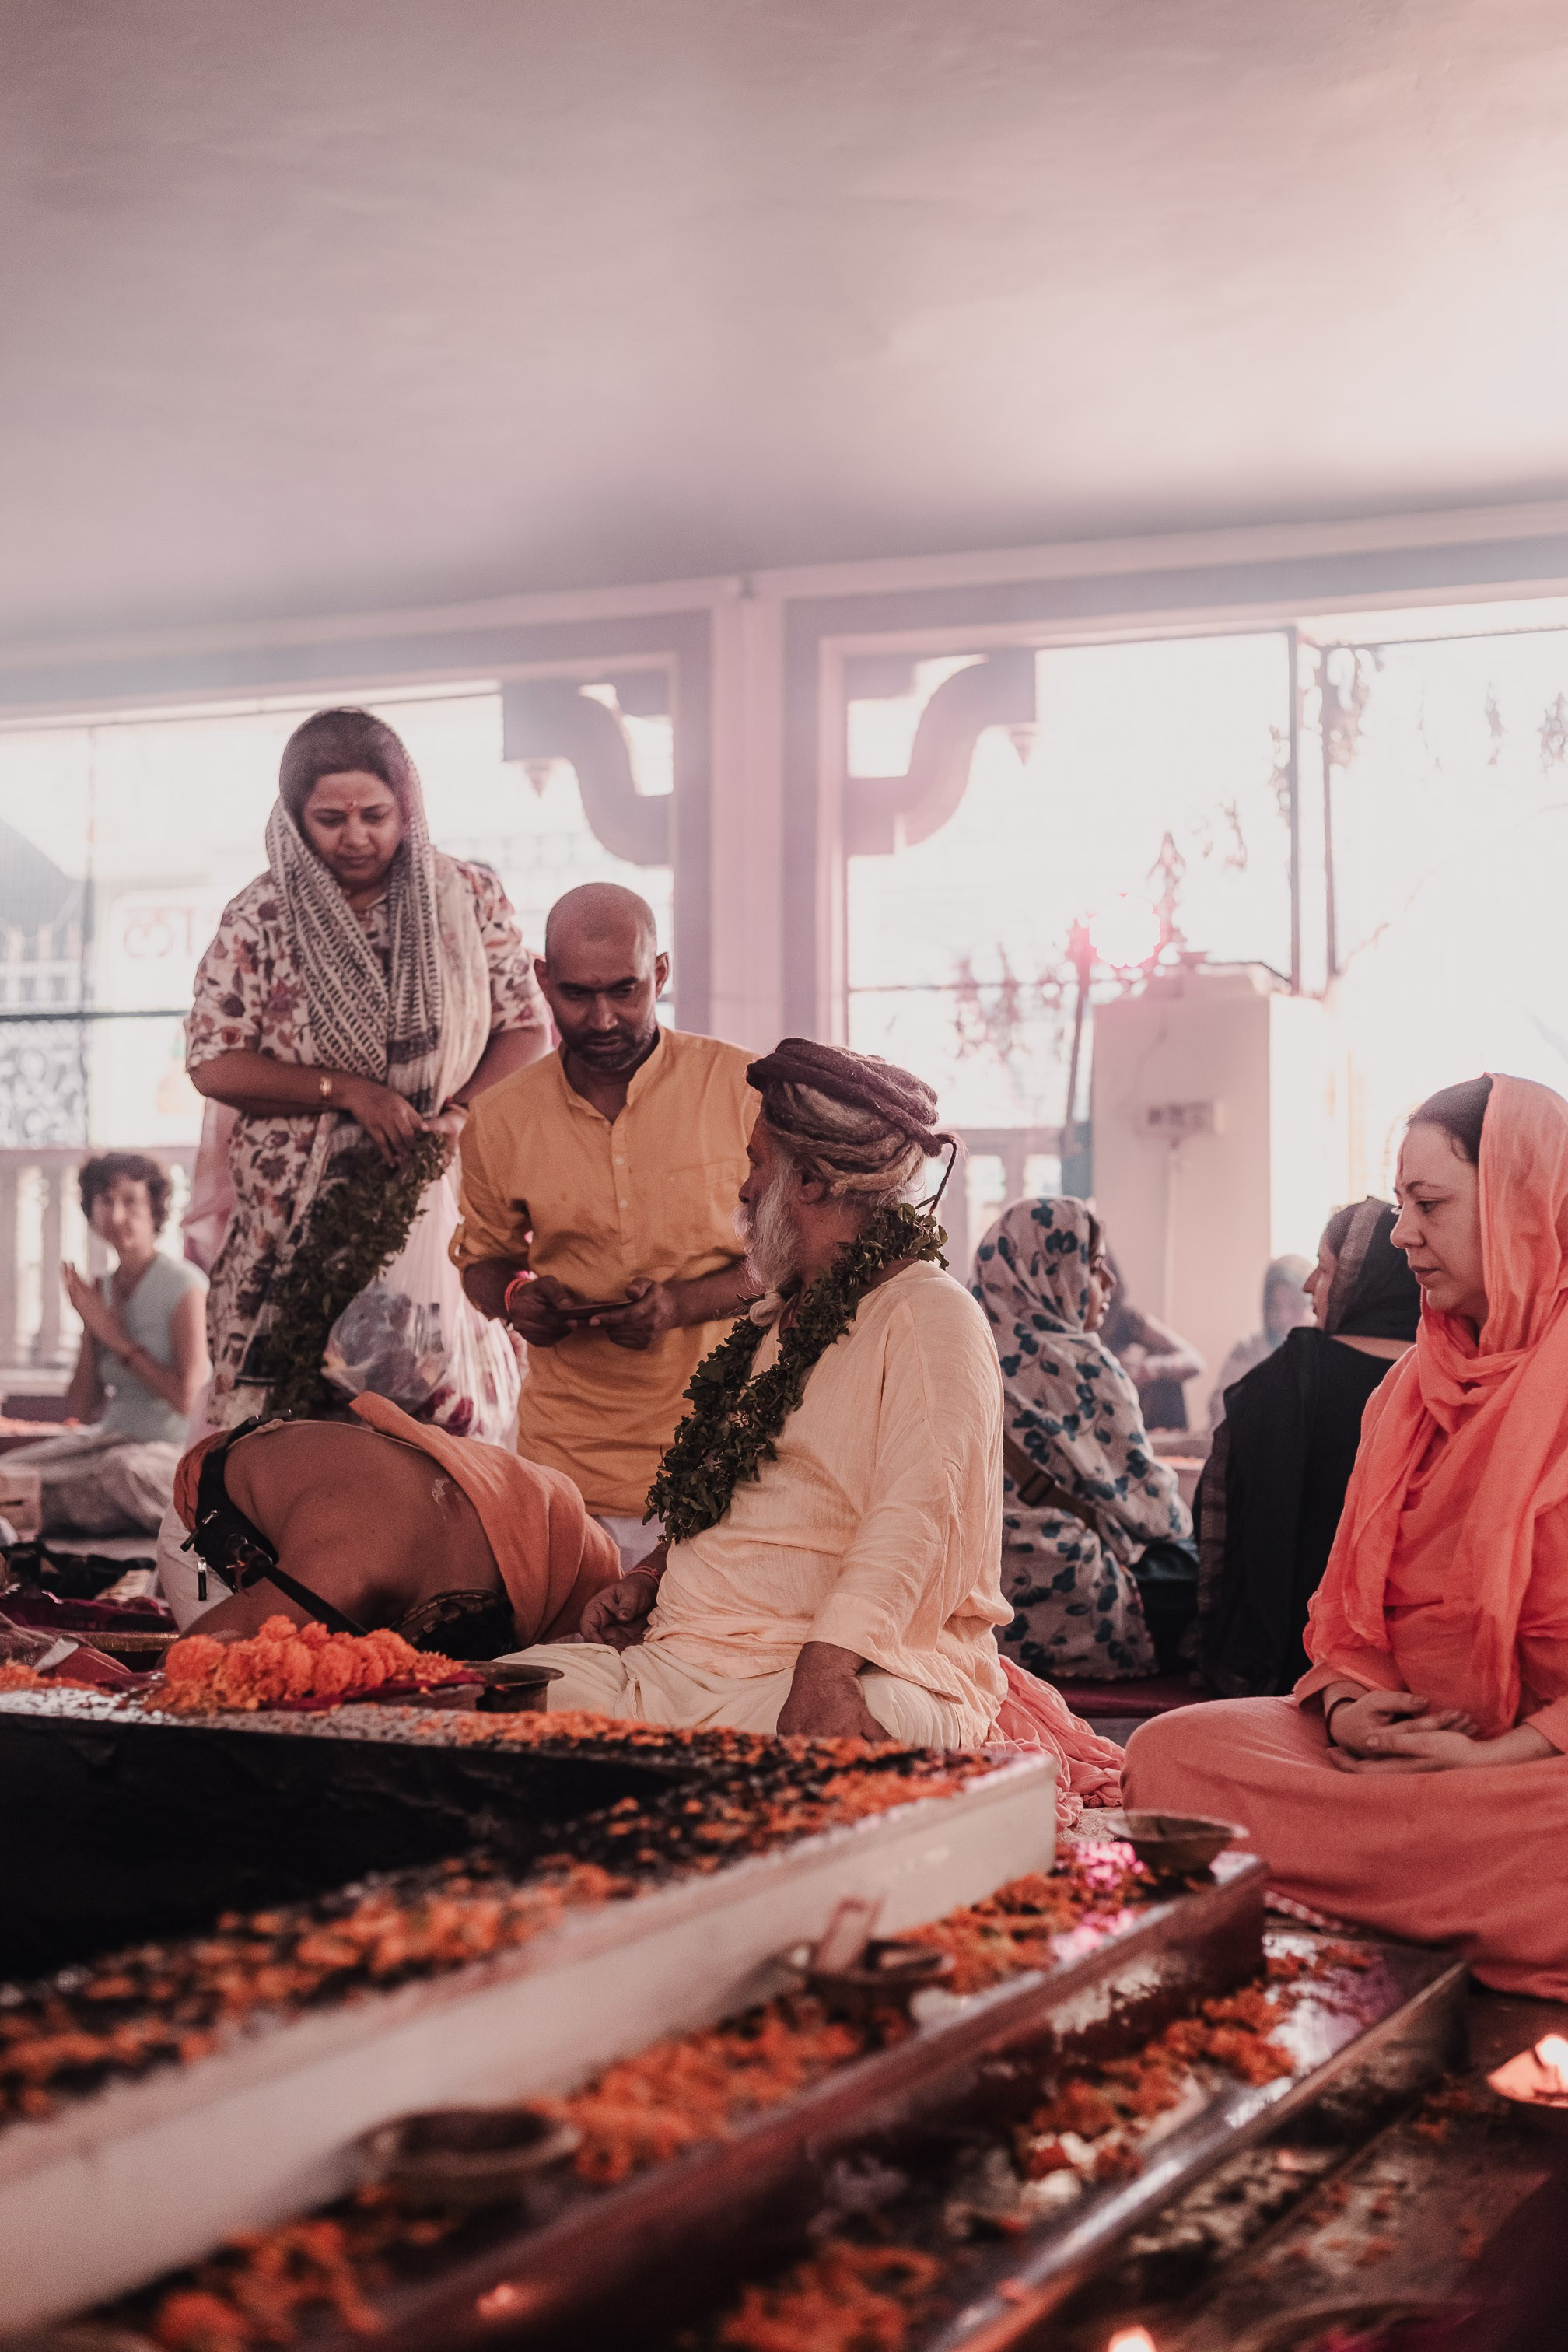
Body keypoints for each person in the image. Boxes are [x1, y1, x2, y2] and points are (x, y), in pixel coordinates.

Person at [499, 1039, 1125, 1823]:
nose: (745, 1185)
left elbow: (918, 1519)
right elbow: (747, 1493)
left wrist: (825, 1673)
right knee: (484, 1704)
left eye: (758, 1163)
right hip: (682, 1663)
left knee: (793, 1760)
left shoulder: (928, 1314)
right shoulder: (777, 1319)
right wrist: (651, 1577)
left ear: (816, 1181)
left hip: (850, 1667)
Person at [1127, 1074, 1568, 1999]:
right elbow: (1344, 1623)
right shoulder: (1407, 1391)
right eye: (1402, 1204)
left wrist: (1500, 1756)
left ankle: (1404, 1880)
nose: (1402, 1232)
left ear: (1518, 1205)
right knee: (1174, 1757)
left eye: (1430, 1204)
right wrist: (1347, 1708)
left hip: (1536, 1773)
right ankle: (1454, 1896)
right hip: (1391, 1758)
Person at [185, 706, 548, 1429]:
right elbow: (213, 1062)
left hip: (431, 1201)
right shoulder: (260, 916)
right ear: (294, 817)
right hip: (290, 1215)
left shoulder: (468, 900)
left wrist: (460, 1113)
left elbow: (526, 1026)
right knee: (278, 1431)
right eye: (330, 819)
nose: (356, 837)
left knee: (435, 1421)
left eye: (375, 814)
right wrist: (349, 1093)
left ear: (406, 808)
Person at [453, 884, 758, 1566]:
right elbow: (483, 1261)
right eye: (576, 995)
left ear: (661, 974)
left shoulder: (740, 1089)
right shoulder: (501, 1118)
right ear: (541, 980)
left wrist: (680, 1305)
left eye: (625, 991)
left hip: (727, 1454)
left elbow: (794, 1262)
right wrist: (515, 1299)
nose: (603, 1018)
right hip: (568, 1466)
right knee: (577, 1669)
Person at [156, 1392, 618, 1650]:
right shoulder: (346, 1577)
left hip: (338, 1505)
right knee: (228, 1703)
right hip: (205, 1520)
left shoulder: (535, 1545)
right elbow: (192, 1658)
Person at [1196, 1202, 1419, 1697]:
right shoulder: (1453, 1374)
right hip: (1416, 1654)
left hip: (1298, 1646)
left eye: (1326, 1266)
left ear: (1363, 1280)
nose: (1308, 1284)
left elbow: (1240, 1511)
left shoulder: (1297, 1374)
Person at [972, 1197, 1195, 1682]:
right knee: (1207, 1575)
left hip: (975, 1604)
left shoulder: (960, 1349)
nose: (1108, 1284)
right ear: (1048, 1272)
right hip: (1068, 1595)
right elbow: (1155, 1513)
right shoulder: (1079, 1364)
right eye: (1094, 1268)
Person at [5, 1154, 208, 1535]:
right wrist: (90, 1325)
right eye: (105, 1201)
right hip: (109, 1442)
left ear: (154, 1210)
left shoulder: (184, 1286)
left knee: (122, 1471)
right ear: (91, 1210)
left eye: (130, 1201)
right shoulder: (103, 1290)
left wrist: (115, 1337)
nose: (116, 1215)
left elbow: (186, 1398)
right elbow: (83, 1407)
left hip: (169, 1450)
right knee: (12, 1476)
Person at [1205, 1255, 1314, 1429]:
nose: (1283, 1317)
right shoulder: (1247, 1350)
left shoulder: (1324, 1354)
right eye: (1275, 1307)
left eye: (1294, 1305)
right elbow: (1221, 1418)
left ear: (1312, 1305)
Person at [1098, 1261, 1203, 1431]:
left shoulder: (1126, 1319)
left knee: (1166, 1369)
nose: (1108, 1281)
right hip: (1107, 1422)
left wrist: (1150, 1368)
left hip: (1146, 1423)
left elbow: (1195, 1359)